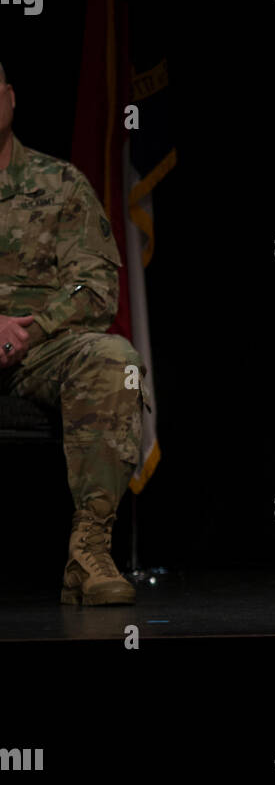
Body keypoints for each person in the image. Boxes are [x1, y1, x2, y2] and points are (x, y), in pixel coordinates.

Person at [0, 60, 148, 605]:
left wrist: (29, 331)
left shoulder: (60, 184)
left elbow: (94, 287)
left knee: (116, 359)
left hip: (42, 350)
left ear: (10, 98)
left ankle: (89, 553)